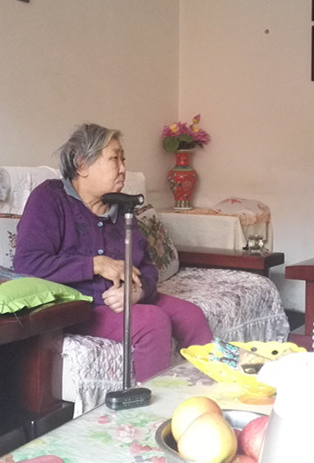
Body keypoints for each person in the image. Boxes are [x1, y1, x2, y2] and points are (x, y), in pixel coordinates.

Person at [13, 123, 213, 382]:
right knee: (152, 321)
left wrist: (138, 291)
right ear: (82, 165)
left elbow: (146, 266)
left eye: (123, 160)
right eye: (114, 159)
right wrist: (95, 264)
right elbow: (27, 263)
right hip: (78, 308)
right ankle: (154, 405)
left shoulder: (120, 206)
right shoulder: (50, 197)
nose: (122, 169)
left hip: (120, 301)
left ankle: (209, 392)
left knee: (191, 315)